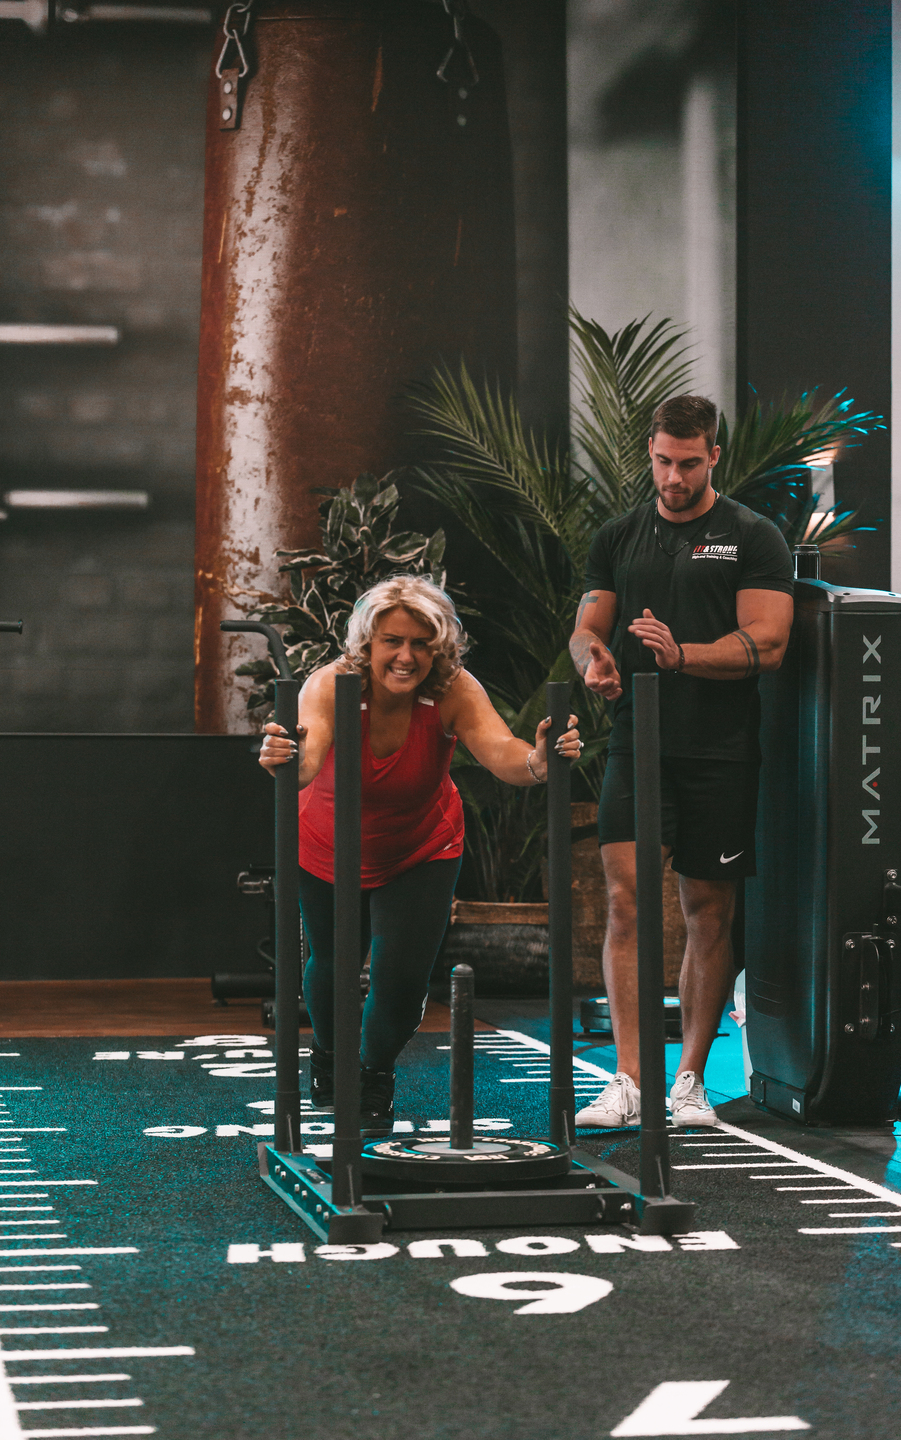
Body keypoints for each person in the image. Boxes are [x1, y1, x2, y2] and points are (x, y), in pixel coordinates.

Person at [260, 574, 581, 1137]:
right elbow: (306, 760)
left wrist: (539, 759)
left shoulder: (452, 689)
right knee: (332, 965)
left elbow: (502, 753)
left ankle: (373, 1074)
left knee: (403, 979)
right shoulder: (331, 684)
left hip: (422, 846)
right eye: (392, 641)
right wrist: (282, 755)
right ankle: (331, 1056)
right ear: (368, 643)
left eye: (421, 643)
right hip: (327, 842)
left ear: (439, 646)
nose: (406, 656)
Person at [568, 393, 794, 1128]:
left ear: (714, 456)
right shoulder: (619, 536)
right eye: (664, 461)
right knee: (626, 902)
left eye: (689, 463)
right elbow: (587, 627)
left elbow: (770, 640)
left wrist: (682, 655)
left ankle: (690, 1081)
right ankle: (630, 1080)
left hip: (720, 751)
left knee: (707, 910)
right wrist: (594, 660)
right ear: (651, 452)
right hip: (638, 740)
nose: (674, 477)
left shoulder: (752, 536)